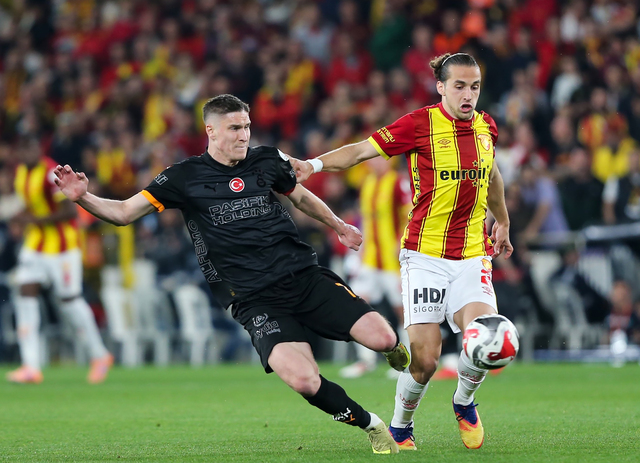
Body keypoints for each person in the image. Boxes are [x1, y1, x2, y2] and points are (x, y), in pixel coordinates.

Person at [53, 94, 409, 455]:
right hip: (254, 299)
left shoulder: (267, 159)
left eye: (247, 126)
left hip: (303, 277)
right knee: (303, 380)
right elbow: (124, 212)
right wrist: (83, 197)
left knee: (382, 338)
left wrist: (338, 225)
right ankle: (371, 424)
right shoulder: (183, 177)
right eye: (235, 128)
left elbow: (300, 197)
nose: (244, 135)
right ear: (211, 131)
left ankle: (393, 349)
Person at [292, 53, 514, 451]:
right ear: (441, 87)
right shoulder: (418, 124)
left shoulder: (487, 126)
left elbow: (492, 173)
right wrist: (313, 165)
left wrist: (503, 220)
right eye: (459, 86)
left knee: (485, 335)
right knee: (425, 360)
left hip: (472, 255)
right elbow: (360, 151)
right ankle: (400, 425)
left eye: (474, 87)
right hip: (424, 258)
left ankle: (464, 402)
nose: (468, 95)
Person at [8, 137, 113, 384]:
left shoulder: (50, 173)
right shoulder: (21, 173)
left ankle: (99, 355)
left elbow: (69, 211)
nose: (28, 152)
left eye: (32, 147)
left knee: (69, 301)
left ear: (39, 149)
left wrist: (31, 220)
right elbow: (33, 205)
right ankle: (31, 366)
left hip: (63, 247)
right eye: (23, 148)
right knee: (25, 294)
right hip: (36, 245)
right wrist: (19, 217)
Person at [340, 156, 411, 379]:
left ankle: (408, 361)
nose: (376, 163)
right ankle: (365, 360)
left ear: (390, 161)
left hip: (393, 261)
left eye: (381, 159)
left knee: (402, 311)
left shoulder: (398, 182)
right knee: (357, 305)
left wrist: (402, 242)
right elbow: (365, 221)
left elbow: (410, 215)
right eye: (373, 159)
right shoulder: (367, 183)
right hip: (369, 259)